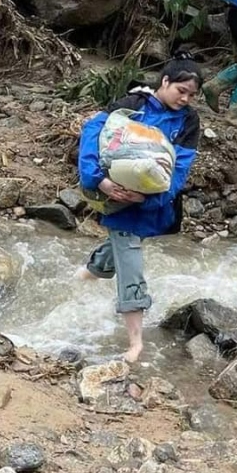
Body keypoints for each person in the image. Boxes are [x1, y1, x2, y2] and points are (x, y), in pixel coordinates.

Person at [78, 58, 203, 364]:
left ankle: (85, 276)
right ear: (164, 82)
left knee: (122, 247)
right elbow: (94, 131)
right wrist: (99, 181)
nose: (185, 99)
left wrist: (148, 201)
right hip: (117, 196)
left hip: (151, 204)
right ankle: (136, 342)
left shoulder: (188, 121)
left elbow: (180, 169)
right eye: (181, 90)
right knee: (130, 259)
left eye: (191, 94)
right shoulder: (133, 103)